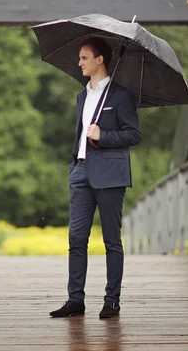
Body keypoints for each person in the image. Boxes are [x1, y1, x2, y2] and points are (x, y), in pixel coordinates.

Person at [49, 38, 141, 319]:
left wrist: (104, 135)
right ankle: (75, 299)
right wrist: (75, 165)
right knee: (76, 238)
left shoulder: (121, 96)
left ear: (100, 60)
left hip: (110, 174)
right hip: (80, 171)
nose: (79, 63)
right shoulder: (82, 96)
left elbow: (134, 134)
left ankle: (112, 300)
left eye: (84, 58)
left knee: (112, 240)